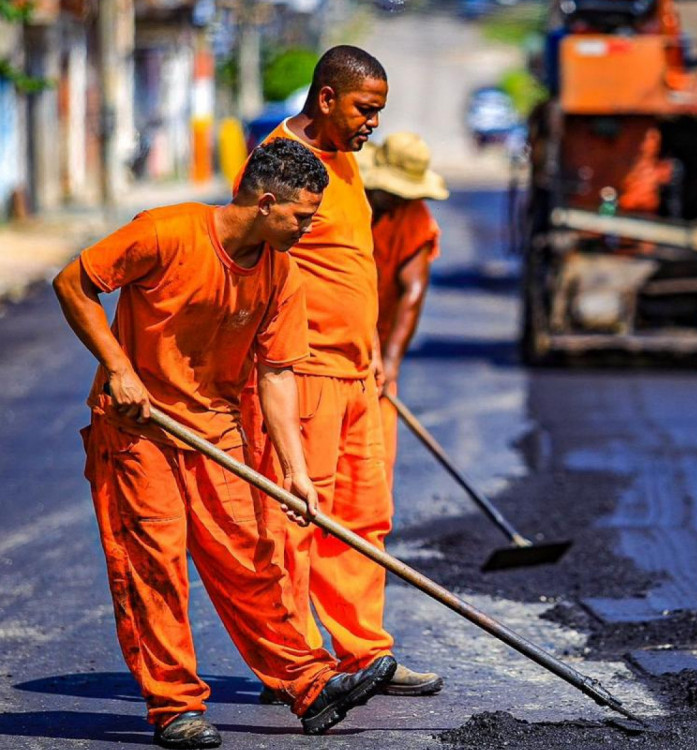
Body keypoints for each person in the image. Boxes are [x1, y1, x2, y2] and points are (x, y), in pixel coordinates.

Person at [52, 138, 396, 748]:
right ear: (266, 204)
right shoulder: (166, 232)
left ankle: (309, 683)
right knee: (153, 567)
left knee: (252, 559)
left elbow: (277, 375)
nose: (308, 227)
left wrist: (294, 472)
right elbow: (74, 284)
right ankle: (174, 707)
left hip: (217, 430)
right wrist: (120, 369)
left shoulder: (280, 273)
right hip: (139, 430)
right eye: (302, 216)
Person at [241, 46, 441, 700]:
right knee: (296, 519)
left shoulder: (345, 161)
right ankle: (295, 665)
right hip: (306, 375)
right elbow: (248, 263)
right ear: (326, 97)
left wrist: (378, 355)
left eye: (379, 112)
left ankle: (365, 654)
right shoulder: (280, 164)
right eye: (365, 109)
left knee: (364, 518)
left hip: (357, 376)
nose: (372, 124)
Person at [357, 133, 446, 589]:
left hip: (379, 351)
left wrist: (389, 363)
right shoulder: (343, 198)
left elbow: (412, 292)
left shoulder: (413, 217)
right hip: (325, 347)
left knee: (374, 468)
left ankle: (365, 554)